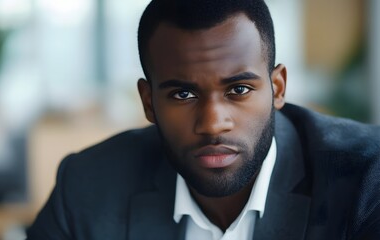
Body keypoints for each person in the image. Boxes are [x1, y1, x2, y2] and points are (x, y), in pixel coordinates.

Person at [26, 0, 380, 239]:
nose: (212, 123)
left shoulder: (366, 180)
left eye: (239, 90)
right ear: (149, 102)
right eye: (183, 94)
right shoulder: (87, 187)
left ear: (277, 87)